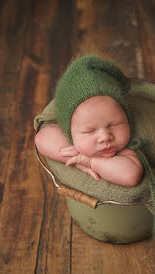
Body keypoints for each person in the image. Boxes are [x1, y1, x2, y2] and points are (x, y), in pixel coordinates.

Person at [34, 55, 144, 187]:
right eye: (90, 131)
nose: (105, 137)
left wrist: (89, 161)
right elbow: (41, 138)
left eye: (113, 124)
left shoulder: (125, 151)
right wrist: (76, 156)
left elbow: (130, 176)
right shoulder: (73, 142)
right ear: (70, 132)